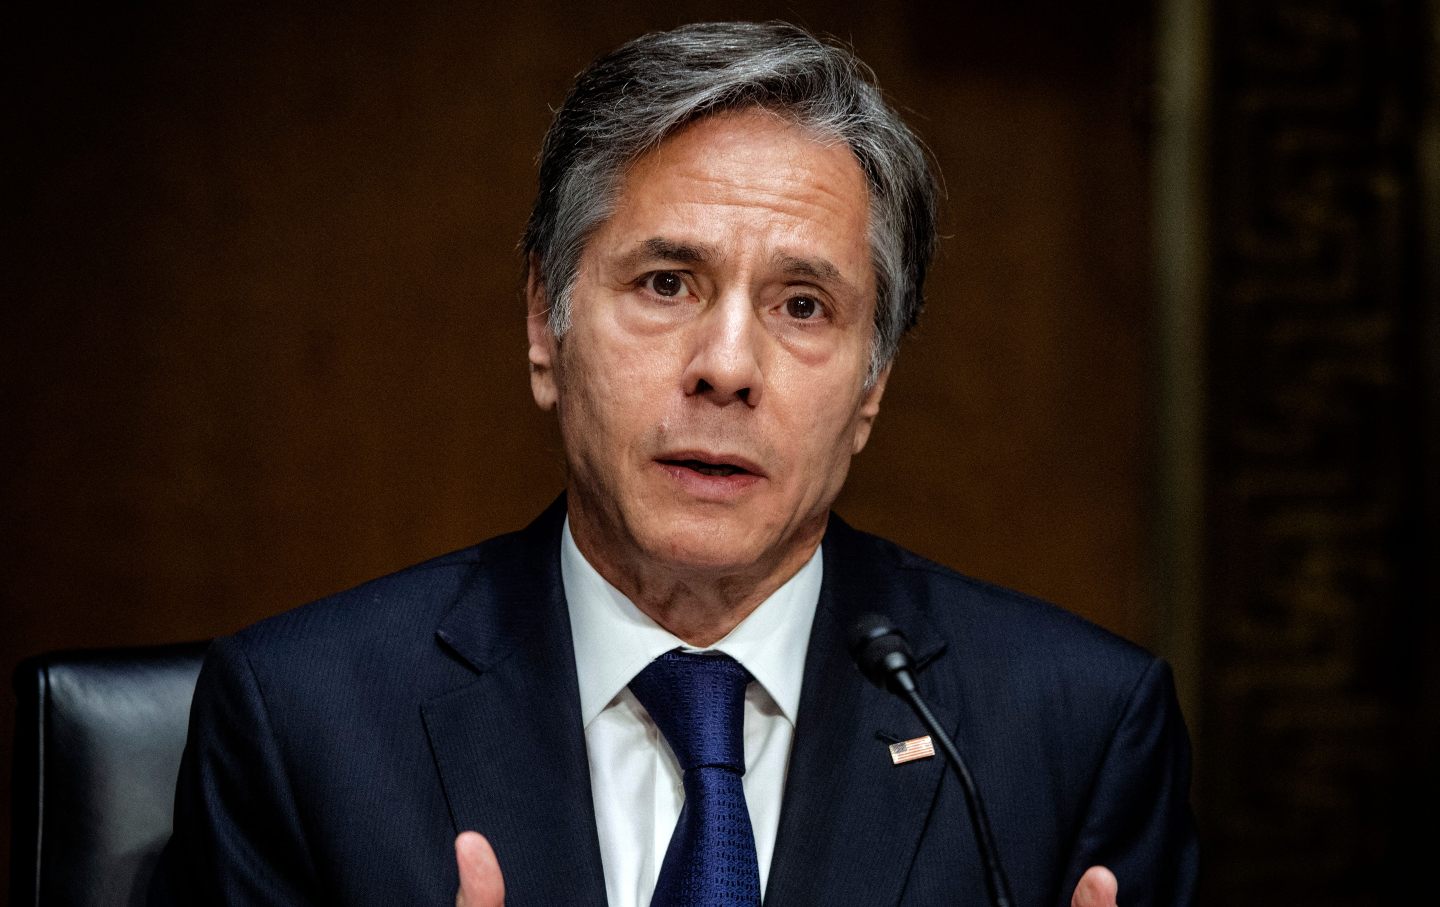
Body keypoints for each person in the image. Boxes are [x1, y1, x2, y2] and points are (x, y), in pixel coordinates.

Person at [150, 21, 1196, 907]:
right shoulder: (304, 721)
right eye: (665, 283)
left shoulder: (1077, 731)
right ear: (544, 323)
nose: (727, 368)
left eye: (802, 306)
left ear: (873, 382)